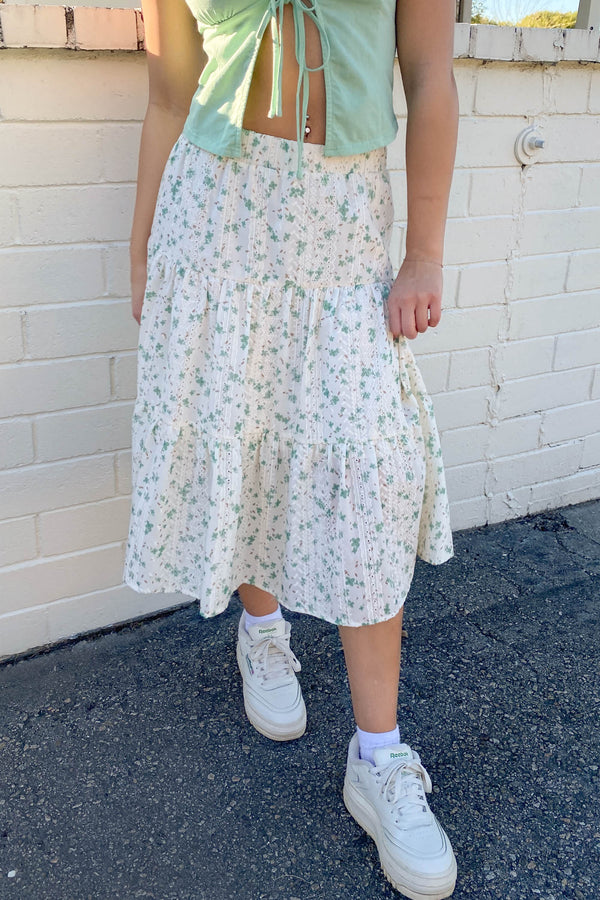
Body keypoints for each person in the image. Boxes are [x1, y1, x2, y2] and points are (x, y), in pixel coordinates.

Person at [124, 0, 459, 897]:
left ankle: (378, 758)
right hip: (213, 212)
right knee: (244, 430)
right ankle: (262, 628)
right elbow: (168, 92)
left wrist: (424, 253)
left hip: (340, 214)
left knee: (370, 473)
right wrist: (142, 250)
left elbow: (429, 73)